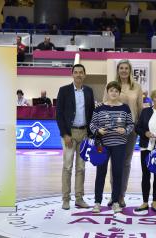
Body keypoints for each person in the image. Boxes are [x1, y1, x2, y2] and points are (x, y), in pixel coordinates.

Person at [90, 81, 134, 214]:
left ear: (119, 93)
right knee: (101, 174)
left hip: (119, 145)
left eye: (116, 91)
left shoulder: (125, 108)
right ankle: (97, 202)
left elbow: (131, 125)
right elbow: (92, 125)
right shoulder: (99, 108)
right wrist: (98, 131)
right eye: (111, 91)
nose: (114, 93)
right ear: (107, 92)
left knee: (117, 174)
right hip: (102, 146)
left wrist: (125, 130)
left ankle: (115, 201)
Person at [103, 59, 143, 207]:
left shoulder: (137, 87)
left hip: (130, 131)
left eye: (126, 68)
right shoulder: (111, 86)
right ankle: (114, 195)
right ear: (118, 70)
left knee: (125, 163)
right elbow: (104, 106)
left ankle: (121, 196)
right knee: (114, 163)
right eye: (121, 68)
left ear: (130, 70)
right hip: (112, 131)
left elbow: (140, 109)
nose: (124, 70)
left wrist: (138, 127)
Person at [56, 64, 95, 210]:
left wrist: (90, 134)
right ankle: (65, 199)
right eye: (76, 72)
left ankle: (79, 198)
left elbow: (91, 114)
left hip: (84, 133)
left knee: (81, 168)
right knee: (67, 167)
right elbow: (59, 114)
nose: (78, 75)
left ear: (84, 75)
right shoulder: (64, 90)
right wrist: (65, 134)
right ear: (72, 74)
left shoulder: (89, 91)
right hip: (69, 134)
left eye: (81, 72)